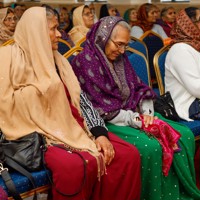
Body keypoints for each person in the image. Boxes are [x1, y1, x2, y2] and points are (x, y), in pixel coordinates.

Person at [0, 6, 142, 200]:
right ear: (35, 30)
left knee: (128, 155)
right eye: (52, 28)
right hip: (38, 136)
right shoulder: (7, 57)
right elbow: (5, 104)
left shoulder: (59, 61)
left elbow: (81, 100)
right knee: (75, 167)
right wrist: (43, 89)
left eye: (58, 28)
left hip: (74, 126)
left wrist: (99, 133)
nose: (58, 34)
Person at [71, 15, 200, 200]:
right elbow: (96, 107)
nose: (122, 51)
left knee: (183, 135)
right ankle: (154, 195)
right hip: (109, 121)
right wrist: (135, 119)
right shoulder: (84, 63)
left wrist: (147, 113)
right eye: (118, 44)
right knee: (150, 146)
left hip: (136, 113)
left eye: (125, 45)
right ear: (103, 37)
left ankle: (177, 192)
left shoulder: (120, 59)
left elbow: (140, 88)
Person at [165, 7, 200, 121]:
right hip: (188, 104)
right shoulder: (180, 50)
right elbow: (197, 88)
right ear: (189, 24)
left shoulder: (196, 45)